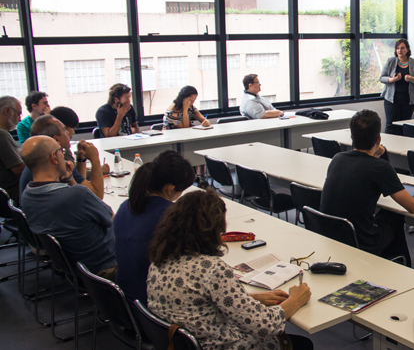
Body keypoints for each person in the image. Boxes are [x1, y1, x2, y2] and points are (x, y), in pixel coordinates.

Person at [147, 190, 313, 350]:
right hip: (217, 345)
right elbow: (265, 326)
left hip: (180, 342)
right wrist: (296, 299)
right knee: (301, 343)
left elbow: (194, 301)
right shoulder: (211, 269)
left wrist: (250, 298)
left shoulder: (159, 259)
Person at [320, 109, 414, 266]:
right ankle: (402, 262)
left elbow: (361, 169)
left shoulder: (337, 159)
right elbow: (413, 207)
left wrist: (374, 155)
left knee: (385, 214)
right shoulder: (380, 167)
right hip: (362, 240)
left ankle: (396, 260)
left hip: (331, 235)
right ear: (379, 139)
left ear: (351, 137)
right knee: (396, 215)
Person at [20, 136, 117, 280]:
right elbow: (114, 221)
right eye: (61, 151)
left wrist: (69, 179)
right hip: (108, 266)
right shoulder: (77, 195)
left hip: (77, 269)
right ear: (54, 157)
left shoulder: (27, 196)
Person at [114, 150, 195, 306]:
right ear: (170, 189)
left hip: (124, 302)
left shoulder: (126, 206)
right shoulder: (172, 216)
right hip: (152, 306)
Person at [18, 115, 105, 203]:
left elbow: (80, 184)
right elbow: (96, 196)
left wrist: (80, 158)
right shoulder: (55, 163)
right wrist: (94, 159)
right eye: (64, 130)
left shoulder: (38, 161)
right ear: (56, 139)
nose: (68, 133)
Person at [379, 39, 414, 135]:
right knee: (391, 126)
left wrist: (411, 78)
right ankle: (389, 148)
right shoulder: (391, 61)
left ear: (407, 49)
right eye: (398, 48)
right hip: (391, 100)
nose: (400, 50)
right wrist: (392, 80)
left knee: (404, 126)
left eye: (402, 48)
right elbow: (382, 78)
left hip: (408, 101)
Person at [50, 106, 110, 176]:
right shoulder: (56, 154)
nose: (73, 133)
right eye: (72, 128)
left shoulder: (64, 149)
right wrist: (97, 167)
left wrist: (81, 158)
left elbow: (76, 173)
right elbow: (75, 177)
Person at [0, 96, 25, 204]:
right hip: (13, 193)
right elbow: (18, 169)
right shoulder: (2, 135)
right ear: (7, 111)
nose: (19, 119)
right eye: (18, 114)